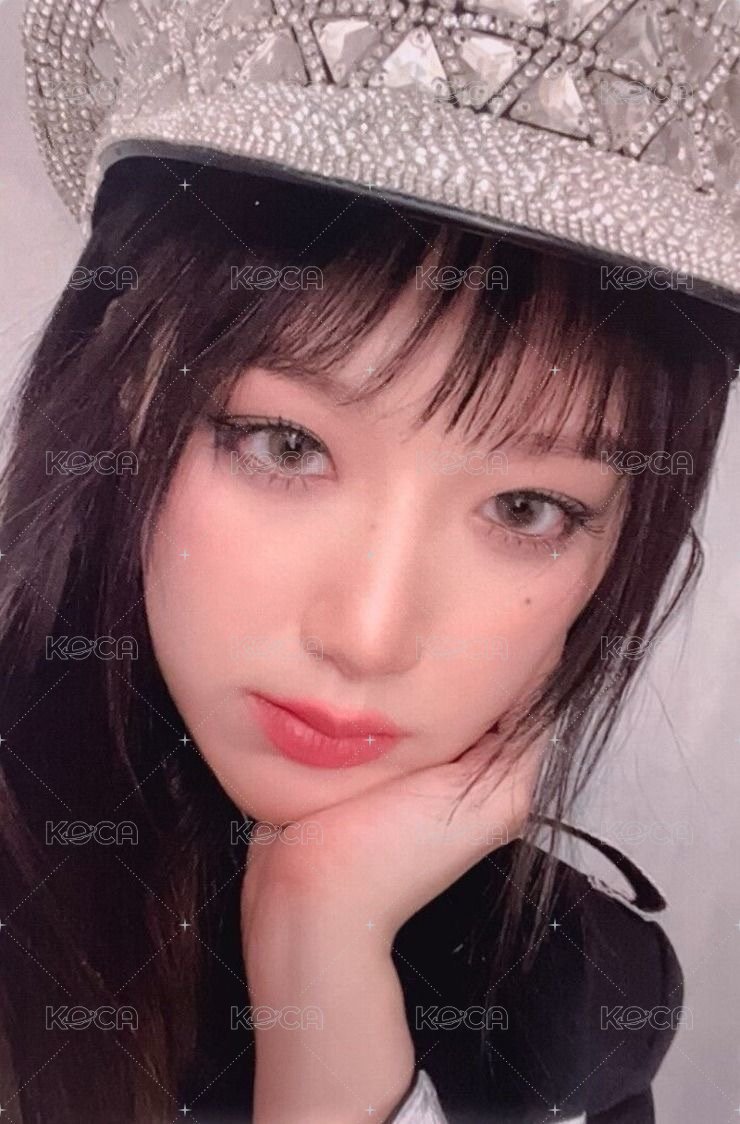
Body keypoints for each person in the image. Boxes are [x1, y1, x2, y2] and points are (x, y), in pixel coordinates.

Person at [4, 0, 739, 1121]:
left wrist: (322, 962)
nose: (367, 634)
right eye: (285, 445)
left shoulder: (574, 1007)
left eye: (527, 507)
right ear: (126, 399)